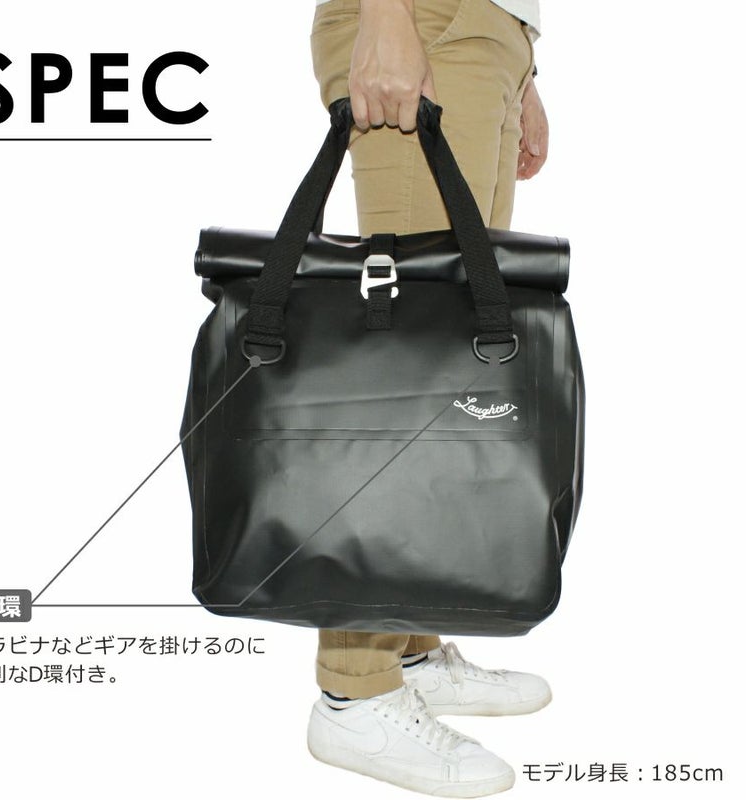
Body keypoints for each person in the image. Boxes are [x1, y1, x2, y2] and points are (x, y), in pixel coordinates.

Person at [305, 1, 551, 796]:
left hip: (487, 31)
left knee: (448, 371)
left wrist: (522, 61)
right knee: (403, 375)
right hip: (421, 16)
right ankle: (355, 694)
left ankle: (409, 649)